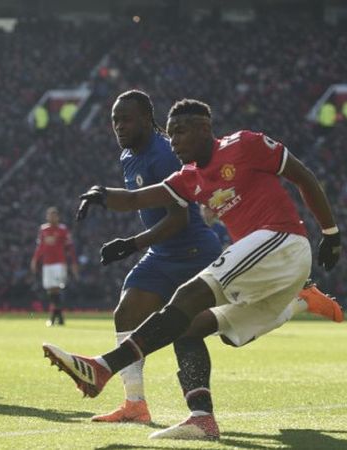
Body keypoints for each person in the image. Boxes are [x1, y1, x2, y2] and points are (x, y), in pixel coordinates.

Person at [42, 98, 343, 441]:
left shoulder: (244, 144)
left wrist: (330, 233)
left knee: (187, 296)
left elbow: (302, 175)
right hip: (268, 268)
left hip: (283, 240)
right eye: (170, 136)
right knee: (189, 328)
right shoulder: (189, 177)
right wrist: (102, 194)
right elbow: (139, 198)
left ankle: (103, 366)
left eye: (181, 132)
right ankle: (202, 418)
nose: (174, 142)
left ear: (205, 129)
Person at [75, 90, 223, 423]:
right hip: (161, 254)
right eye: (114, 120)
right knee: (126, 313)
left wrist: (131, 244)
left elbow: (179, 217)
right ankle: (135, 404)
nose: (119, 126)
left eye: (126, 119)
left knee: (189, 329)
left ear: (147, 118)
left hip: (194, 252)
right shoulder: (128, 156)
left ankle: (296, 298)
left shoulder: (164, 153)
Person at [30, 206, 78, 327]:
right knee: (50, 290)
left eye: (54, 215)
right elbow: (40, 247)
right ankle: (59, 317)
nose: (51, 217)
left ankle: (54, 317)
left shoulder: (63, 229)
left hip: (59, 263)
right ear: (47, 216)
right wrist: (35, 260)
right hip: (47, 264)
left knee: (56, 288)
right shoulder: (43, 229)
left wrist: (73, 263)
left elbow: (70, 247)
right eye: (49, 215)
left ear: (58, 217)